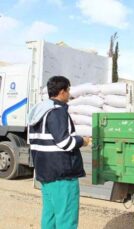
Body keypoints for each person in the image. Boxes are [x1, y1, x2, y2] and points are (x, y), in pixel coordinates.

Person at [28, 76, 89, 229]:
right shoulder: (57, 112)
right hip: (61, 176)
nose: (69, 94)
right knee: (66, 218)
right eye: (68, 90)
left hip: (45, 173)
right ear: (62, 92)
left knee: (50, 215)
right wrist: (83, 141)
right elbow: (64, 142)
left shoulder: (38, 112)